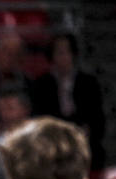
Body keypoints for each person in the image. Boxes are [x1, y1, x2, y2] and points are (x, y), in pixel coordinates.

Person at [32, 33, 106, 169]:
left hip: (83, 139)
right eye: (59, 53)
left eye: (67, 52)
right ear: (52, 56)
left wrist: (85, 133)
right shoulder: (42, 84)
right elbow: (39, 116)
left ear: (74, 54)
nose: (64, 57)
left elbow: (97, 116)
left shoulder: (88, 82)